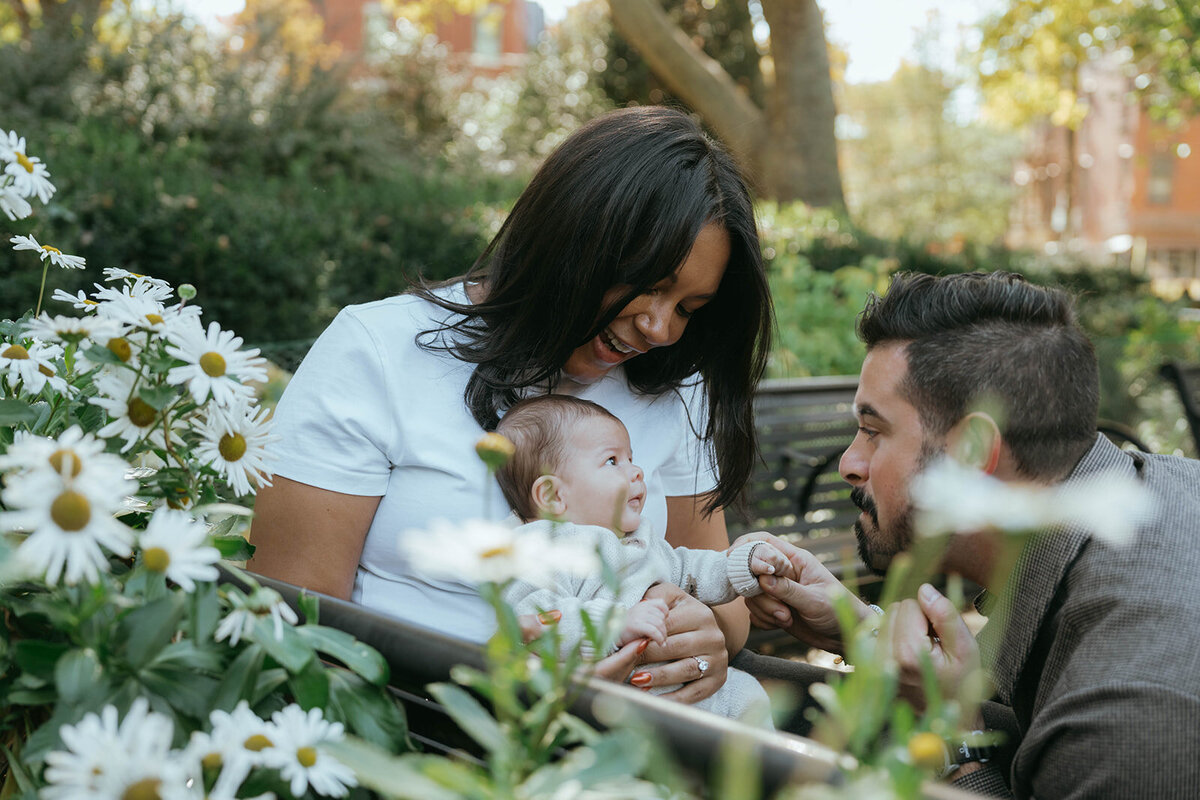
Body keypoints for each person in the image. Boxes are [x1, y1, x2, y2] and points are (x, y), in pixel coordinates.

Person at [248, 106, 774, 705]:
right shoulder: (379, 352)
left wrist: (699, 636)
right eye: (649, 284)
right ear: (572, 240)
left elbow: (720, 606)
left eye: (688, 308)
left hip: (635, 737)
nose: (659, 327)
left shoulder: (673, 388)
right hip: (422, 732)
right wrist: (509, 699)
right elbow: (293, 620)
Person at [745, 271, 1200, 798]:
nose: (850, 463)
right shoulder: (1162, 488)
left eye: (873, 431)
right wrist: (863, 632)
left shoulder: (1130, 715)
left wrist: (954, 739)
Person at [495, 395, 789, 725]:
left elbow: (690, 569)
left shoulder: (639, 542)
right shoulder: (541, 549)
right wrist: (614, 626)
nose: (636, 472)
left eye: (631, 459)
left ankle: (746, 774)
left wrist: (742, 565)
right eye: (612, 461)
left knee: (746, 693)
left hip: (687, 691)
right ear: (552, 496)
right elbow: (534, 620)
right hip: (609, 708)